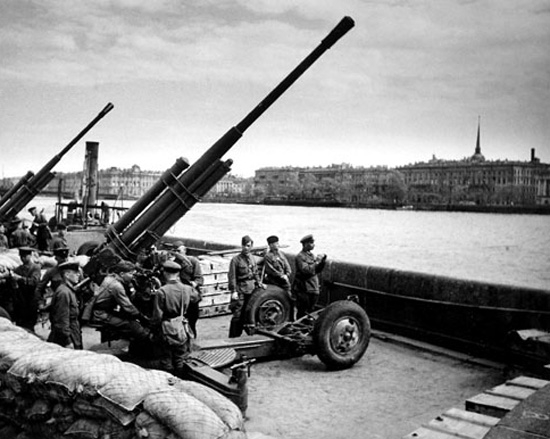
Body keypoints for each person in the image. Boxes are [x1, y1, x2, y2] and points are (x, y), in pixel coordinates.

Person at [90, 260, 151, 341]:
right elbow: (128, 307)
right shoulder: (116, 286)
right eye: (130, 274)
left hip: (107, 310)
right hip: (102, 314)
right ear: (122, 274)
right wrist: (142, 317)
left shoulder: (110, 277)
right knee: (135, 326)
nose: (133, 276)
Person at [150, 260, 193, 372]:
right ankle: (180, 378)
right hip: (181, 325)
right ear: (178, 273)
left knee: (166, 357)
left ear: (164, 273)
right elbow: (196, 298)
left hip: (166, 327)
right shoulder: (187, 289)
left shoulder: (162, 291)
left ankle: (169, 377)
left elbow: (157, 316)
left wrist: (152, 329)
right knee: (180, 356)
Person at [228, 235, 264, 338]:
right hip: (241, 289)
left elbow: (255, 272)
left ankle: (248, 335)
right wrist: (234, 291)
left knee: (249, 312)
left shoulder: (252, 258)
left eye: (248, 246)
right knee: (237, 313)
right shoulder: (236, 260)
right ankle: (234, 336)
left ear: (251, 246)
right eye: (244, 245)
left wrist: (259, 282)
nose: (246, 248)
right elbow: (232, 277)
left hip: (251, 289)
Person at [47, 261, 83, 349]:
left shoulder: (68, 290)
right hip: (66, 339)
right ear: (67, 275)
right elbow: (62, 320)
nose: (78, 274)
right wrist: (68, 341)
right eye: (75, 273)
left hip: (73, 334)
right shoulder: (64, 293)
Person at [172, 241, 203, 338]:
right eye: (175, 251)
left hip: (190, 294)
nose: (177, 253)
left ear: (184, 250)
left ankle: (192, 333)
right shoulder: (173, 264)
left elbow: (199, 278)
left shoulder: (192, 262)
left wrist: (194, 284)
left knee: (193, 317)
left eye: (179, 251)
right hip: (178, 295)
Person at [292, 234, 327, 319]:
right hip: (304, 288)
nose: (313, 245)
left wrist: (322, 262)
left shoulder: (311, 255)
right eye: (311, 243)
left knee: (311, 310)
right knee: (303, 310)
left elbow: (317, 270)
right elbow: (306, 270)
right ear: (305, 244)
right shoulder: (300, 256)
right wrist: (317, 262)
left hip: (313, 287)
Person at [11, 246, 41, 330]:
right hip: (21, 301)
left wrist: (20, 278)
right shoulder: (18, 269)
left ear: (30, 255)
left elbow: (34, 282)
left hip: (31, 300)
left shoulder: (35, 268)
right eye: (21, 256)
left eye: (25, 256)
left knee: (30, 325)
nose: (23, 258)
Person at [36, 246, 71, 310]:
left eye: (65, 258)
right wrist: (40, 303)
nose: (64, 260)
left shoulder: (74, 271)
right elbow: (39, 289)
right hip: (56, 303)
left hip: (71, 304)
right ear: (56, 258)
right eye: (61, 258)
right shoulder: (51, 272)